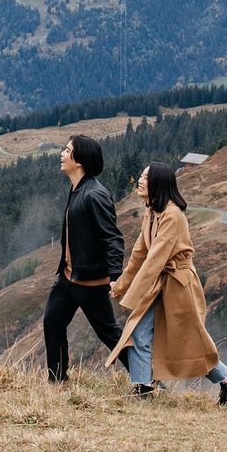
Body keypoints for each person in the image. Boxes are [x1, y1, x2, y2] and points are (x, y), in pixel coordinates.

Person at [109, 163, 227, 403]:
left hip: (178, 285)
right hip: (160, 284)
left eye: (145, 177)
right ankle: (144, 388)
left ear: (159, 183)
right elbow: (140, 254)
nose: (139, 181)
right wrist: (121, 285)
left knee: (190, 343)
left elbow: (154, 260)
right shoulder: (152, 211)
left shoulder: (172, 215)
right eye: (141, 176)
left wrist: (130, 295)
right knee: (138, 332)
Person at [43, 134, 128, 385]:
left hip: (90, 281)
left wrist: (115, 276)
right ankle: (57, 380)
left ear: (79, 160)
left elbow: (112, 237)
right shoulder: (77, 188)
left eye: (67, 150)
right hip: (69, 277)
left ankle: (150, 380)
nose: (62, 154)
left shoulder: (95, 194)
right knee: (52, 321)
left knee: (110, 335)